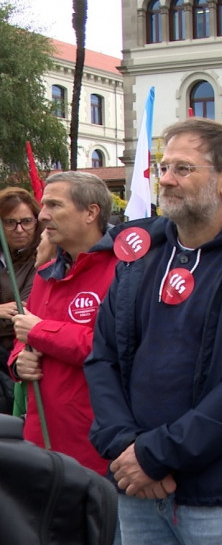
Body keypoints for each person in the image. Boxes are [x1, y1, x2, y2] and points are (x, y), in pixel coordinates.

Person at [85, 117, 222, 544]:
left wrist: (156, 455)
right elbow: (103, 356)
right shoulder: (138, 255)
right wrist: (126, 448)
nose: (166, 179)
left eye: (182, 169)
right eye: (163, 168)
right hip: (137, 485)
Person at [6, 173, 117, 475]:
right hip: (41, 439)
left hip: (95, 445)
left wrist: (40, 332)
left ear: (90, 212)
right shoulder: (47, 272)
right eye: (43, 206)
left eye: (54, 205)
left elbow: (110, 346)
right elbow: (24, 333)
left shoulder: (123, 270)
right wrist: (18, 363)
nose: (43, 216)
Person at [0, 187, 41, 414]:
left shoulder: (44, 255)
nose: (19, 229)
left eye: (26, 221)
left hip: (16, 356)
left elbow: (21, 311)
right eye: (10, 222)